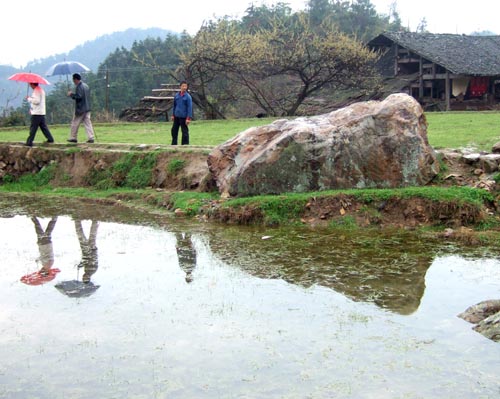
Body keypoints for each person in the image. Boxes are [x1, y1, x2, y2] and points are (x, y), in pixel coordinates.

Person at [67, 73, 95, 144]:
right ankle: (91, 137)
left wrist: (71, 95)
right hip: (87, 108)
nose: (73, 82)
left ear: (75, 79)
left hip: (81, 109)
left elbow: (79, 97)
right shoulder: (86, 86)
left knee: (75, 123)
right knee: (88, 123)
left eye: (73, 80)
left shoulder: (79, 87)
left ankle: (73, 137)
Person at [74, 219, 99, 283]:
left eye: (83, 278)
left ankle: (95, 221)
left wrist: (82, 264)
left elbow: (87, 261)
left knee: (92, 234)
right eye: (85, 278)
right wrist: (82, 263)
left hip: (89, 250)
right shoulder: (92, 270)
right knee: (81, 235)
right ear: (88, 278)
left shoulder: (87, 271)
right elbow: (91, 259)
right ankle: (77, 220)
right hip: (89, 250)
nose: (84, 277)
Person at [171, 81, 193, 145]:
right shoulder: (176, 95)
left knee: (184, 132)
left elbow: (189, 107)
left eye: (185, 86)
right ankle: (174, 144)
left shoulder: (188, 97)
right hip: (176, 116)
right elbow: (174, 105)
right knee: (174, 130)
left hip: (184, 117)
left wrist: (188, 118)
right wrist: (173, 115)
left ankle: (185, 145)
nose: (184, 87)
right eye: (183, 86)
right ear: (180, 86)